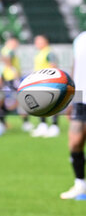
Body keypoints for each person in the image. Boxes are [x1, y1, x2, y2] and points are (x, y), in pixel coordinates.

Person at [60, 31, 86, 199]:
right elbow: (76, 69)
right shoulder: (80, 39)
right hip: (80, 99)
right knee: (75, 143)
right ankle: (80, 184)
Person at [31, 35, 60, 138]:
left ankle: (54, 126)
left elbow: (53, 66)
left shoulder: (49, 52)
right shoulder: (40, 53)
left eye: (39, 41)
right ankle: (43, 124)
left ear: (45, 41)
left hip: (48, 82)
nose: (37, 43)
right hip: (39, 82)